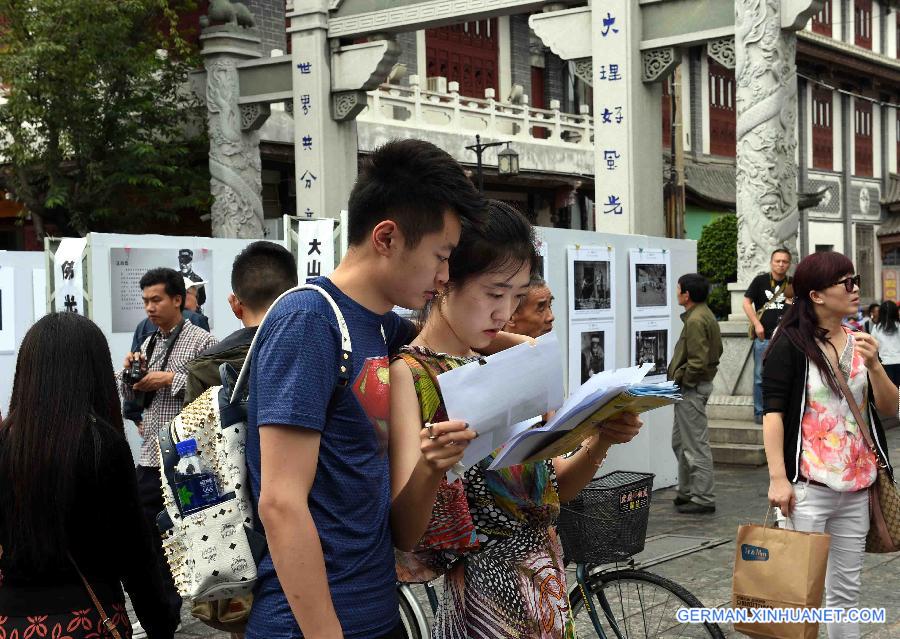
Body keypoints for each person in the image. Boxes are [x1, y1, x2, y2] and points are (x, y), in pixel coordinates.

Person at [244, 139, 490, 639]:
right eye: (440, 257)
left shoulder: (380, 326)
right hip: (309, 626)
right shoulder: (308, 321)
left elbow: (450, 333)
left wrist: (522, 344)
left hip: (376, 612)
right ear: (386, 238)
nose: (444, 278)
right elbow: (281, 502)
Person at [389, 200, 643, 638]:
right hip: (485, 605)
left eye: (516, 296)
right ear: (446, 281)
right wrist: (431, 467)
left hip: (547, 587)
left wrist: (599, 440)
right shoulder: (411, 374)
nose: (503, 312)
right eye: (493, 293)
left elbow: (555, 486)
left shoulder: (515, 362)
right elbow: (405, 534)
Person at [0, 313, 179, 639]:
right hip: (88, 619)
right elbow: (134, 552)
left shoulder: (5, 442)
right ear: (93, 372)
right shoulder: (103, 445)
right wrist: (160, 622)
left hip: (11, 621)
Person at [763, 251, 895, 639]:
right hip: (806, 490)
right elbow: (773, 414)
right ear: (817, 295)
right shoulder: (790, 344)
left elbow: (890, 407)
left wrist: (875, 366)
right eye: (846, 283)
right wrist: (777, 478)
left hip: (857, 488)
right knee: (798, 596)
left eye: (855, 281)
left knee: (845, 594)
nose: (855, 290)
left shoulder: (861, 342)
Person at [118, 267, 217, 635]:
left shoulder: (203, 341)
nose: (149, 308)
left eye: (156, 299)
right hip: (150, 456)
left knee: (191, 535)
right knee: (149, 537)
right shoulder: (149, 343)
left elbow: (213, 392)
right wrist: (131, 376)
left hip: (189, 457)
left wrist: (170, 379)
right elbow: (134, 395)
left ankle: (189, 608)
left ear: (178, 299)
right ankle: (161, 614)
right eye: (145, 301)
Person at [184, 241, 298, 405]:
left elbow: (190, 429)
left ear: (234, 304)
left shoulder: (204, 368)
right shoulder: (319, 350)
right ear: (295, 296)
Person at [667, 273, 722, 515]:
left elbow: (698, 362)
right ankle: (687, 490)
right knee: (680, 442)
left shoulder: (696, 320)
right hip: (691, 389)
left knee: (695, 445)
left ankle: (703, 496)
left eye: (678, 289)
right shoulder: (702, 315)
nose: (676, 292)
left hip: (691, 389)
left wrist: (685, 381)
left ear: (686, 294)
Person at [744, 248, 793, 424]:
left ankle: (784, 412)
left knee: (786, 375)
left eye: (784, 261)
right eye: (777, 261)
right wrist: (757, 324)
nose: (781, 264)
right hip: (764, 338)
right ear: (771, 262)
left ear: (789, 264)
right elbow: (746, 302)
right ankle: (759, 412)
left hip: (786, 339)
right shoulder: (760, 281)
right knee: (759, 376)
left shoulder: (792, 283)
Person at [870, 300, 900, 385]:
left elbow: (873, 346)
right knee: (899, 392)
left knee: (889, 390)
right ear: (895, 312)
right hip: (899, 362)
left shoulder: (876, 328)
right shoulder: (899, 326)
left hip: (884, 364)